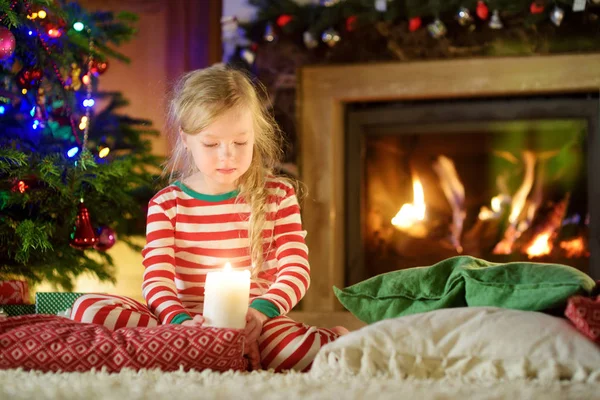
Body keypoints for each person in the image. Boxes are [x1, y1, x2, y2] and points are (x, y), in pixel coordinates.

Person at [70, 64, 348, 372]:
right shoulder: (166, 204)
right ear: (186, 139)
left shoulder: (278, 196)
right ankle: (207, 351)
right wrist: (182, 323)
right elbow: (157, 280)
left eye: (240, 143)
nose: (227, 155)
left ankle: (211, 353)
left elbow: (295, 270)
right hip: (182, 324)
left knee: (298, 350)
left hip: (255, 323)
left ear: (254, 135)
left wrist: (257, 315)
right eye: (212, 144)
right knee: (87, 308)